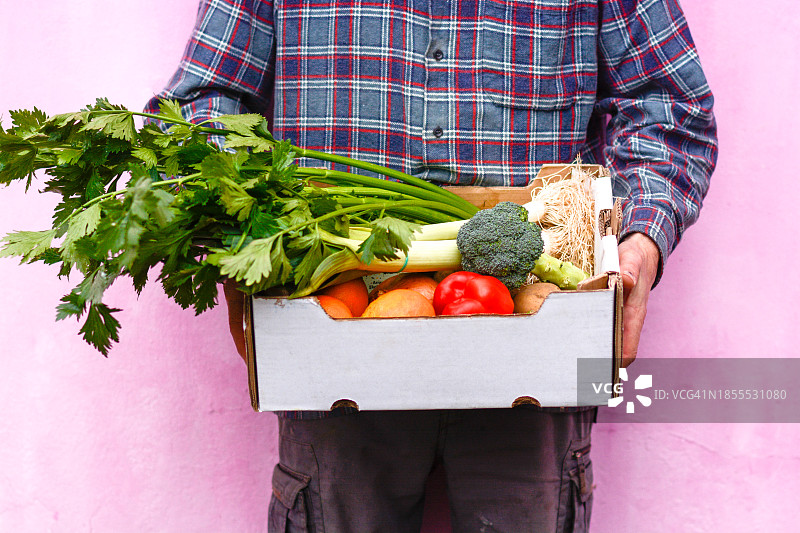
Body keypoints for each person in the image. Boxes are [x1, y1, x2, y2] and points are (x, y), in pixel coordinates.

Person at [147, 1, 717, 531]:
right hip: (331, 338)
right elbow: (199, 107)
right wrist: (237, 230)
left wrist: (641, 242)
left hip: (536, 340)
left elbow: (669, 109)